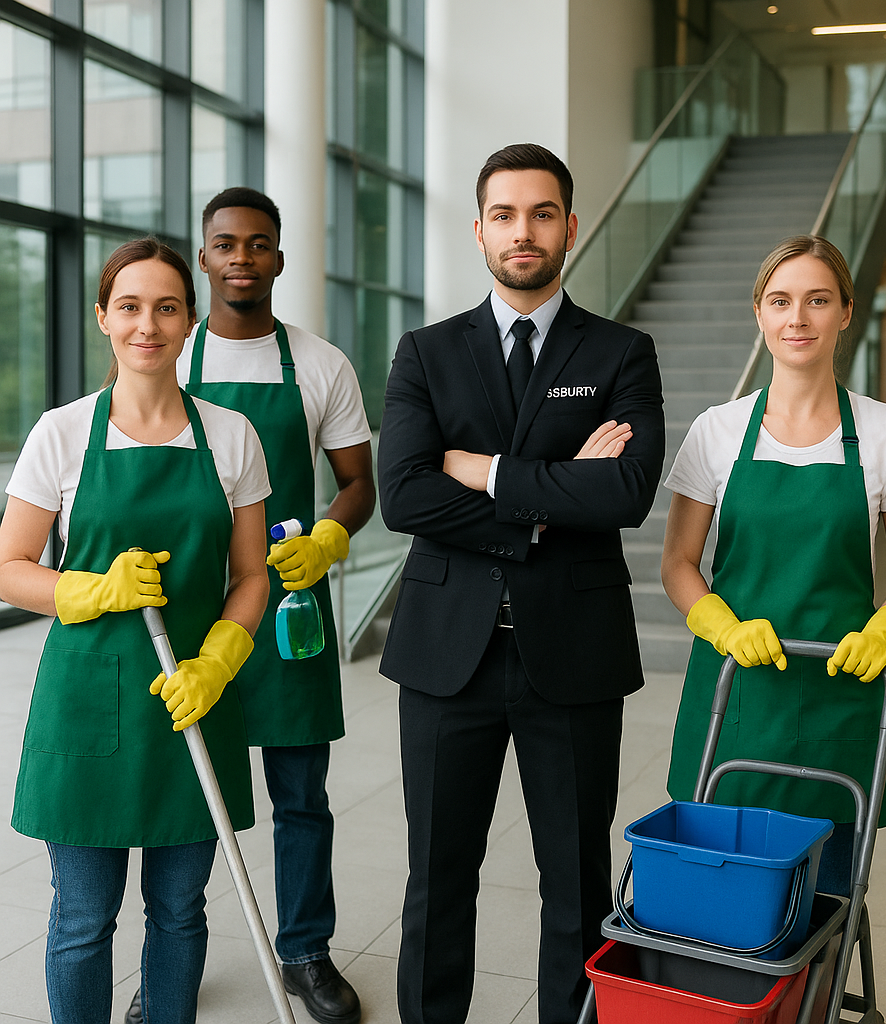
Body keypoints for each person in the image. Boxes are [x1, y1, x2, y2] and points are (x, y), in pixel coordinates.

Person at [377, 143, 665, 1024]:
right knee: (438, 881)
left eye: (542, 213)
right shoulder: (425, 352)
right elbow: (403, 494)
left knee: (575, 885)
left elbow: (624, 491)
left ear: (571, 227)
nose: (523, 231)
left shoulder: (621, 351)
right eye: (504, 214)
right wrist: (547, 502)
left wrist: (488, 472)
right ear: (478, 231)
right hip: (442, 659)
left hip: (572, 659)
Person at [0, 238, 270, 1024]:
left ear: (190, 322)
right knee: (83, 921)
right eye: (129, 306)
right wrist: (91, 588)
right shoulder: (60, 431)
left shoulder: (231, 435)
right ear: (102, 319)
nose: (146, 323)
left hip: (193, 699)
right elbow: (10, 565)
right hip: (85, 706)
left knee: (181, 912)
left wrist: (220, 658)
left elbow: (251, 575)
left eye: (166, 307)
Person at [661, 234, 886, 894]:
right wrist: (723, 625)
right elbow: (677, 561)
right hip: (735, 695)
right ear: (759, 312)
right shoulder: (718, 430)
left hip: (840, 692)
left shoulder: (885, 430)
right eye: (781, 301)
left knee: (826, 901)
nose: (797, 318)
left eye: (817, 300)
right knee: (723, 899)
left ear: (846, 311)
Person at [168, 186, 374, 1024]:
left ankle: (305, 952)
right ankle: (170, 954)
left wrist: (327, 536)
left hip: (290, 612)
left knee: (301, 796)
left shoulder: (320, 364)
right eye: (226, 244)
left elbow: (359, 484)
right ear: (206, 256)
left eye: (258, 244)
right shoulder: (171, 362)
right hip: (195, 612)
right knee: (185, 803)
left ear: (278, 259)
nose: (242, 257)